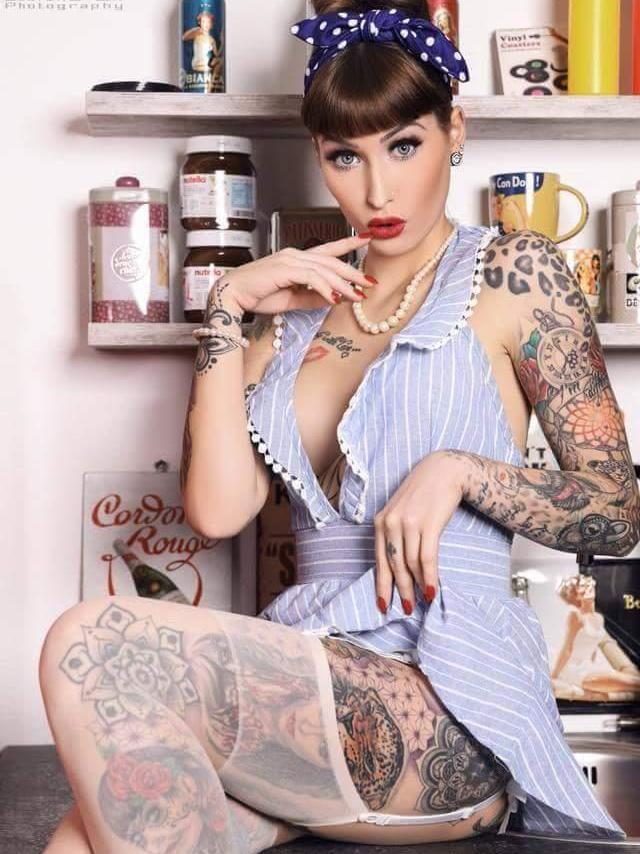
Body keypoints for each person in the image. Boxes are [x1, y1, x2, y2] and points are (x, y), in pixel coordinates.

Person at [39, 1, 640, 850]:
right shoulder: (286, 322)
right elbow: (215, 512)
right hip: (308, 675)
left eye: (404, 146)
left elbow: (616, 511)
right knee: (86, 836)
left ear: (455, 130)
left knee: (91, 639)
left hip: (448, 695)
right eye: (345, 156)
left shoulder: (513, 274)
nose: (378, 190)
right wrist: (227, 307)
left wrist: (460, 471)